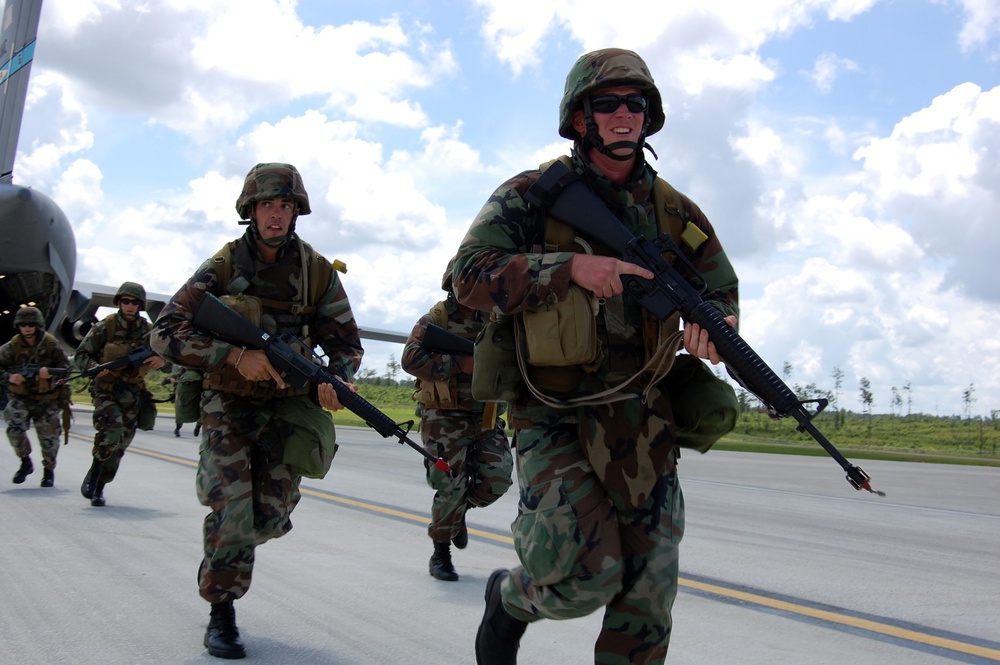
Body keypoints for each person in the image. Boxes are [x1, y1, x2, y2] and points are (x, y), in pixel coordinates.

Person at [452, 48, 740, 665]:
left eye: (633, 103)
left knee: (648, 591)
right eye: (605, 103)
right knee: (581, 574)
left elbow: (720, 290)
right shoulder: (532, 196)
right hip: (552, 409)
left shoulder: (677, 214)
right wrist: (570, 268)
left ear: (647, 116)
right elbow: (469, 275)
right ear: (580, 118)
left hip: (643, 414)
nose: (621, 115)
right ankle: (510, 598)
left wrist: (718, 326)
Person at [150, 162, 364, 660]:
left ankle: (233, 552)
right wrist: (233, 356)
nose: (276, 214)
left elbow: (346, 343)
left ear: (297, 211)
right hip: (229, 404)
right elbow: (165, 330)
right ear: (250, 209)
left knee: (267, 517)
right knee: (232, 510)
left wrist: (338, 379)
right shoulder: (224, 265)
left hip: (288, 406)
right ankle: (221, 610)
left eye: (285, 205)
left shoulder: (316, 272)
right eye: (267, 204)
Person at [400, 261, 513, 582]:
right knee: (449, 485)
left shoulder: (498, 320)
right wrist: (459, 364)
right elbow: (410, 358)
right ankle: (441, 553)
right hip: (443, 416)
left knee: (498, 479)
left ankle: (458, 512)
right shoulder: (438, 319)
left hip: (486, 414)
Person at [74, 282, 167, 507]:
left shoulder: (148, 330)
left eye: (135, 302)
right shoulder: (106, 326)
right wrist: (96, 365)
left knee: (122, 443)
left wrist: (162, 360)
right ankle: (94, 471)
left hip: (132, 391)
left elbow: (168, 355)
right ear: (119, 302)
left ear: (140, 305)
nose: (130, 305)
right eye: (126, 301)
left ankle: (100, 486)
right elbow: (81, 355)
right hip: (106, 389)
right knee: (111, 430)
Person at [0, 306, 72, 487]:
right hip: (21, 399)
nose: (27, 328)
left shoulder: (50, 344)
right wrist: (9, 377)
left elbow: (65, 369)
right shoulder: (11, 347)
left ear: (38, 325)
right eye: (23, 324)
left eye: (31, 324)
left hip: (46, 400)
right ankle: (25, 462)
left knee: (49, 439)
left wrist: (50, 375)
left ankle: (48, 472)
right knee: (14, 429)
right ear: (18, 326)